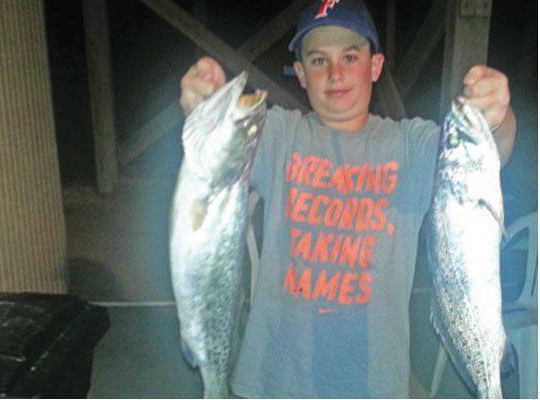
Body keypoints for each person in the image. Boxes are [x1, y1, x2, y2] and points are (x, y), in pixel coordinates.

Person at [178, 0, 516, 397]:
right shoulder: (279, 135)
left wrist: (497, 118)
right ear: (301, 75)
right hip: (273, 379)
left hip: (373, 382)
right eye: (318, 60)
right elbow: (219, 147)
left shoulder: (410, 144)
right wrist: (205, 101)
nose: (335, 74)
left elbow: (485, 154)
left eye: (350, 56)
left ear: (375, 66)